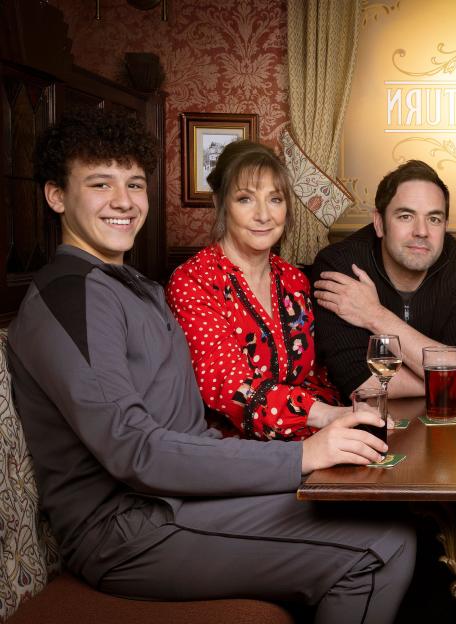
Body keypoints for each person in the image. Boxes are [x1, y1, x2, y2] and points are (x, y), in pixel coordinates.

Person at [7, 108, 414, 623]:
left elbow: (183, 428)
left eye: (134, 183)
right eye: (99, 184)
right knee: (382, 548)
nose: (123, 201)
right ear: (56, 196)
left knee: (379, 514)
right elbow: (135, 448)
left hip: (174, 500)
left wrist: (318, 442)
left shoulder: (132, 285)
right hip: (125, 529)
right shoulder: (73, 295)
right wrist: (301, 455)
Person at [167, 140, 348, 441]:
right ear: (219, 202)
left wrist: (355, 408)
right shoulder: (193, 281)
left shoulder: (294, 280)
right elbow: (228, 384)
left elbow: (317, 375)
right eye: (246, 199)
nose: (264, 215)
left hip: (314, 437)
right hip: (240, 454)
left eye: (275, 199)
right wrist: (325, 416)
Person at [307, 160, 456, 400]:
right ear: (379, 223)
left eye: (434, 219)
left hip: (450, 426)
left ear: (445, 226)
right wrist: (451, 383)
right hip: (370, 427)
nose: (422, 231)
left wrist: (375, 315)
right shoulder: (341, 266)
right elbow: (357, 382)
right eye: (406, 216)